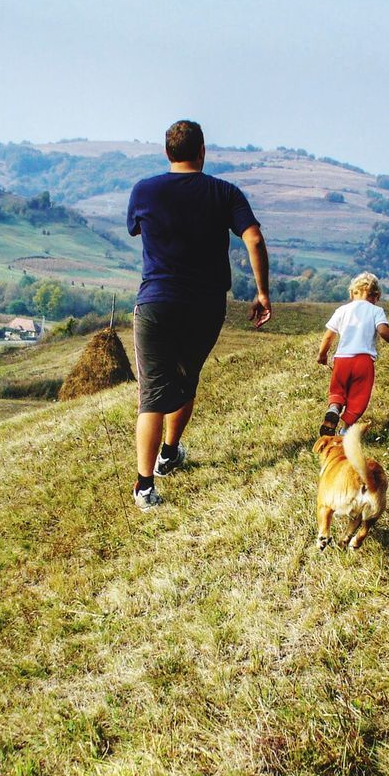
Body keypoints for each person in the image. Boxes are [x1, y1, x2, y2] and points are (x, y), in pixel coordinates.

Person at [126, 120, 272, 511]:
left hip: (156, 303)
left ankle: (144, 486)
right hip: (206, 307)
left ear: (167, 153)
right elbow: (253, 237)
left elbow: (136, 231)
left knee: (152, 394)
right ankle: (169, 453)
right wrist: (261, 293)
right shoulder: (225, 192)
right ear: (203, 151)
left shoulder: (144, 190)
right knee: (186, 379)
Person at [316, 272, 389, 436]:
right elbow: (383, 331)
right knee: (359, 396)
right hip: (363, 361)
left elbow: (329, 335)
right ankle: (345, 429)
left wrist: (322, 354)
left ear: (352, 293)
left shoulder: (342, 310)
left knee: (338, 389)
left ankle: (333, 409)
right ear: (376, 296)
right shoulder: (376, 310)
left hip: (342, 360)